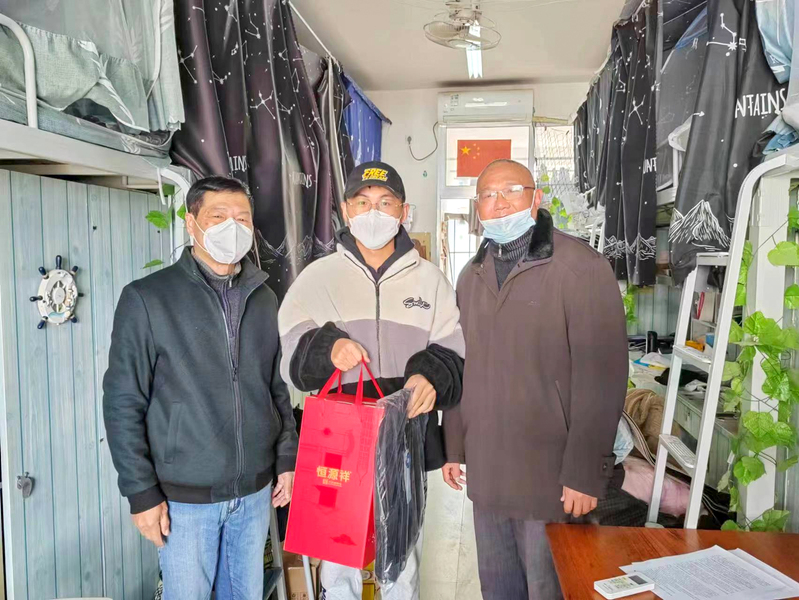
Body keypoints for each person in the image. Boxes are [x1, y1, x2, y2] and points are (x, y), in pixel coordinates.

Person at [103, 176, 298, 600]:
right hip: (184, 500)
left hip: (253, 492)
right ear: (191, 223)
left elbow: (275, 387)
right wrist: (141, 492)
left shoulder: (264, 298)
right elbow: (123, 402)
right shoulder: (147, 299)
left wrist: (286, 458)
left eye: (242, 218)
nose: (233, 226)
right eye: (218, 215)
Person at [278, 161, 465, 600]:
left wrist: (431, 376)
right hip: (338, 441)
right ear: (346, 210)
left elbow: (455, 351)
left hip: (407, 437)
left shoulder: (431, 281)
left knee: (402, 552)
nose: (373, 213)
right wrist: (327, 349)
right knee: (338, 553)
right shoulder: (316, 278)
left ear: (403, 211)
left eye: (385, 203)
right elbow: (289, 351)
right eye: (362, 203)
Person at [442, 159, 628, 600]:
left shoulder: (580, 267)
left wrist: (586, 471)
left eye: (512, 191)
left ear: (536, 198)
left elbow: (602, 376)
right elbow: (460, 363)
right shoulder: (470, 277)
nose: (500, 203)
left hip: (552, 477)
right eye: (488, 195)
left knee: (549, 588)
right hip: (489, 473)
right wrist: (454, 447)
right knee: (498, 587)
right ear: (478, 208)